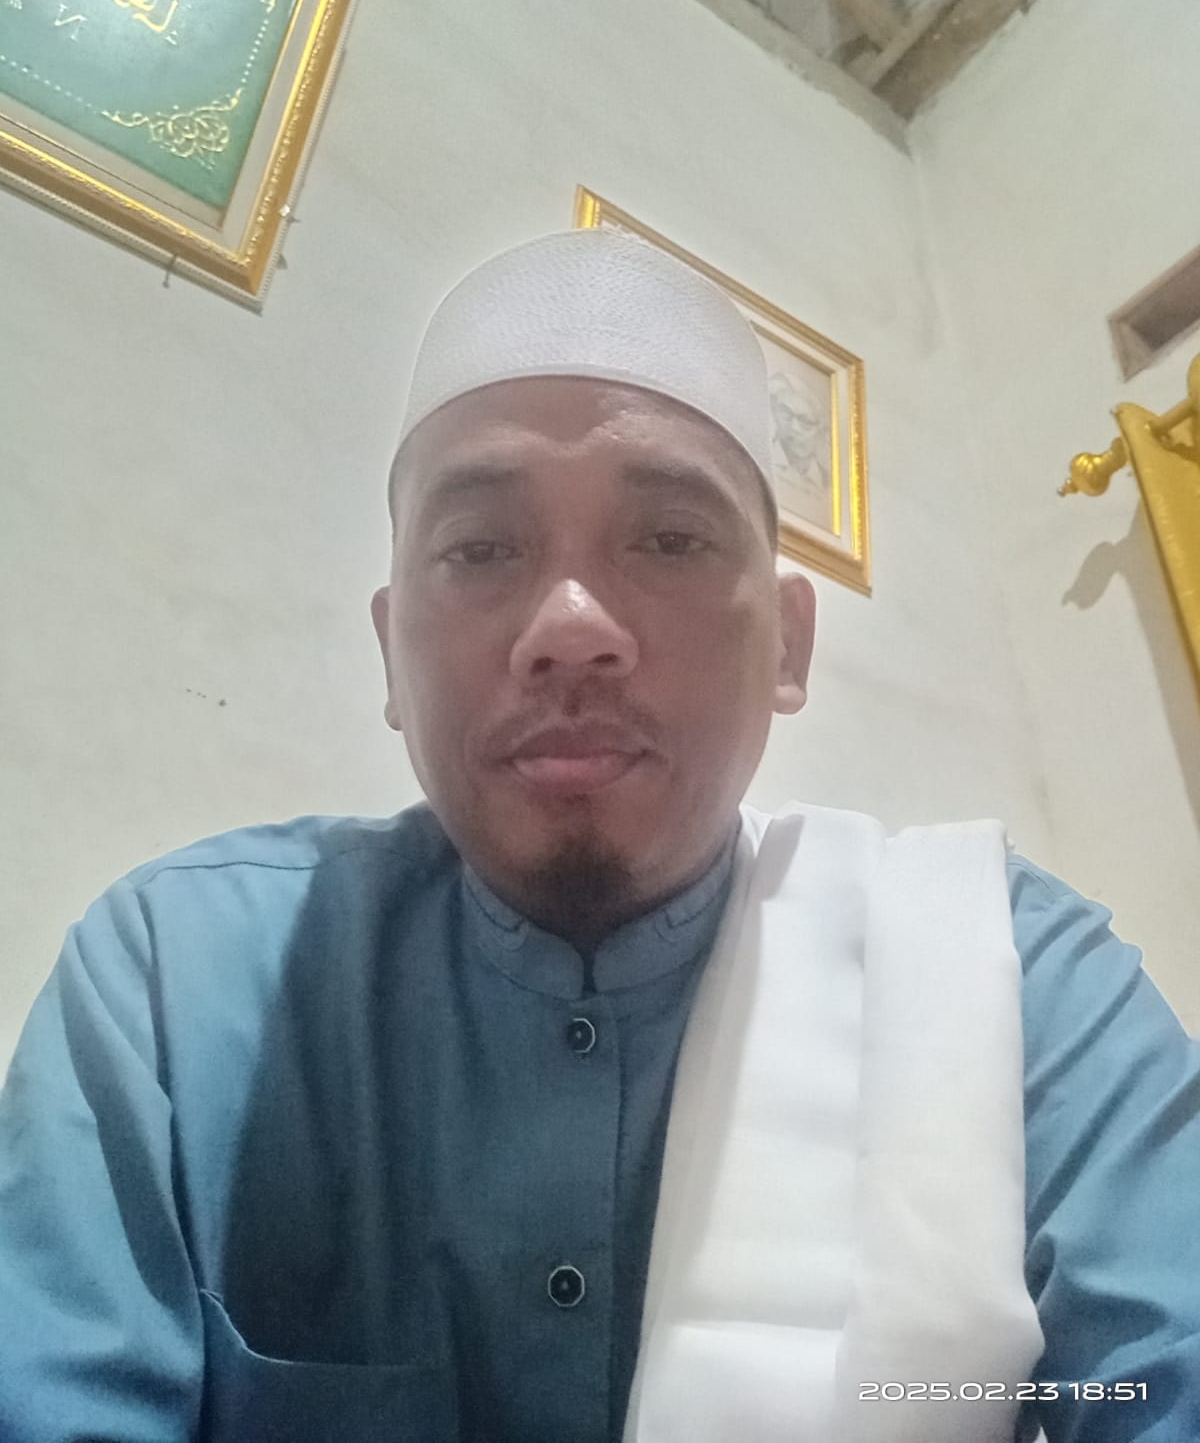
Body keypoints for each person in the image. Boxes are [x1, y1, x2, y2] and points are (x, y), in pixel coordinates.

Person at [0, 227, 1198, 1443]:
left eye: (669, 539)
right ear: (391, 656)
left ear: (788, 643)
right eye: (481, 549)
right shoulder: (175, 985)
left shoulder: (1007, 982)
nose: (570, 627)